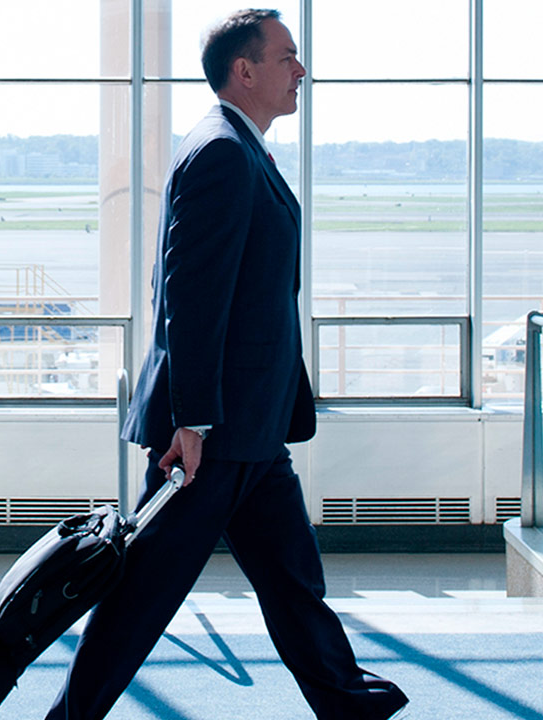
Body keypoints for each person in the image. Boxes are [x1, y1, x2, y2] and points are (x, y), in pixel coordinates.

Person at [46, 9, 409, 720]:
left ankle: (349, 702)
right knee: (143, 593)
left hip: (250, 427)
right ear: (246, 70)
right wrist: (194, 420)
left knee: (292, 579)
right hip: (215, 433)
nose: (300, 71)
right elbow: (190, 295)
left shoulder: (237, 148)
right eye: (287, 57)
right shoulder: (221, 151)